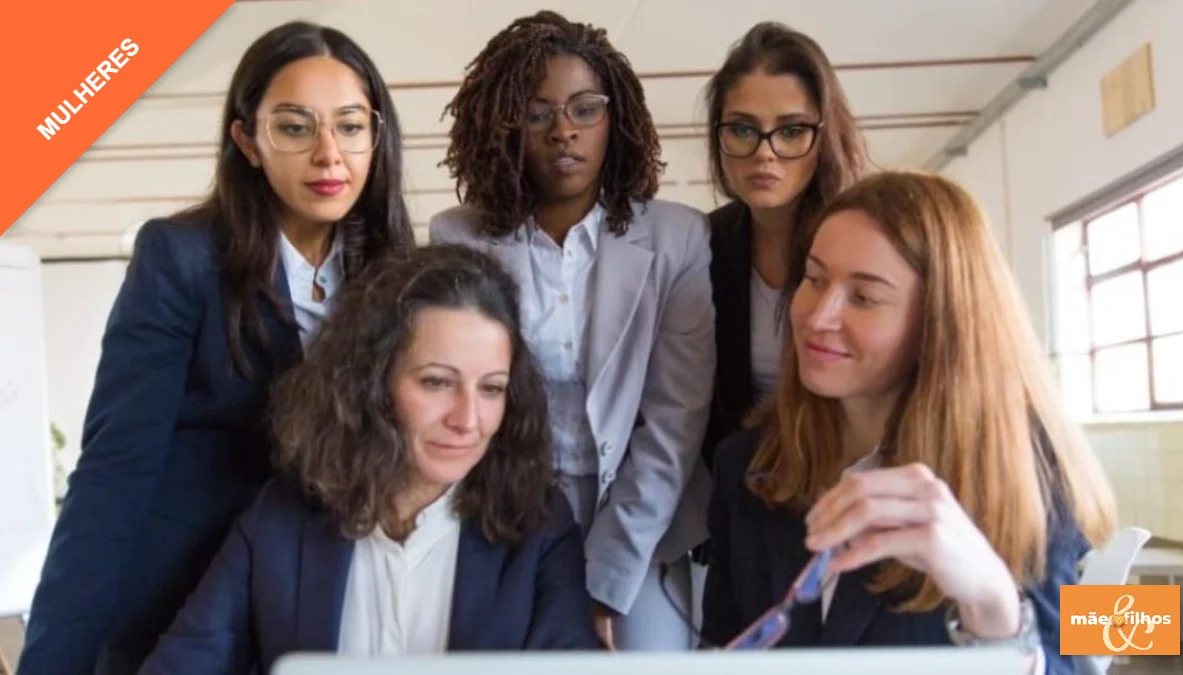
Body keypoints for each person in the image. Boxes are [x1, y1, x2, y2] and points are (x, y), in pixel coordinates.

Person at [20, 21, 415, 675]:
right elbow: (113, 474)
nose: (329, 154)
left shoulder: (398, 277)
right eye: (294, 127)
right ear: (247, 141)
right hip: (181, 603)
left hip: (327, 609)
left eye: (349, 126)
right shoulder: (182, 258)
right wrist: (53, 662)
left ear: (376, 135)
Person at [701, 171, 1116, 675]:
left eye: (864, 297)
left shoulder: (1030, 472)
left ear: (939, 324)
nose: (816, 316)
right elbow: (719, 653)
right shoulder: (745, 464)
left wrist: (992, 603)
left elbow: (1084, 661)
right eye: (814, 278)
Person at [137, 244, 600, 674]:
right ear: (371, 383)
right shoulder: (282, 518)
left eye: (492, 388)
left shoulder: (539, 526)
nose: (468, 420)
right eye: (436, 382)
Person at [430, 10, 715, 651]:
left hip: (642, 513)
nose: (564, 131)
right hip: (506, 508)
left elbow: (674, 421)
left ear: (616, 120)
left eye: (585, 109)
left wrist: (607, 576)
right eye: (537, 115)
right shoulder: (458, 237)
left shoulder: (678, 238)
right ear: (505, 127)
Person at [700, 21, 869, 473]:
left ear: (825, 135)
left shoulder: (869, 241)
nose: (765, 152)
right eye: (742, 129)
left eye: (791, 131)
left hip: (853, 473)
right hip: (744, 482)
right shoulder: (704, 245)